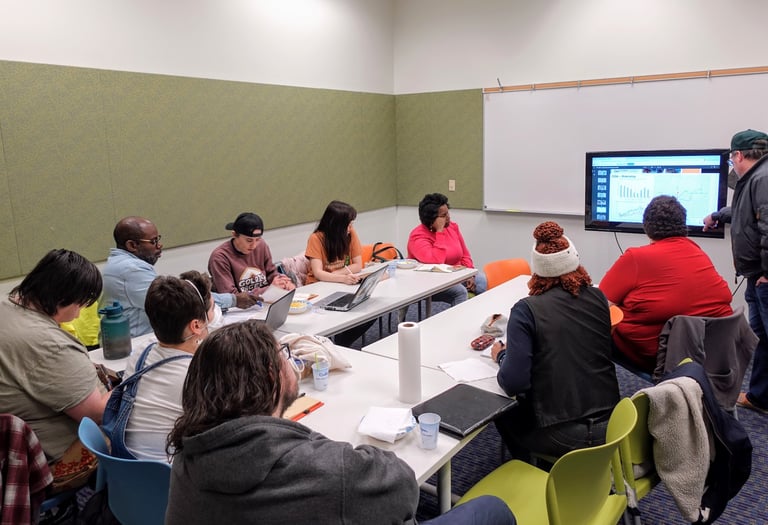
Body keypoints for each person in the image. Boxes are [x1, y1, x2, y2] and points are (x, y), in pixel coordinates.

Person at [165, 320, 516, 525]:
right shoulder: (334, 468)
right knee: (493, 509)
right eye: (286, 356)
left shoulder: (185, 460)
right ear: (272, 378)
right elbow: (403, 491)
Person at [491, 222, 619, 460]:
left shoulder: (526, 310)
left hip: (564, 432)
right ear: (575, 259)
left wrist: (502, 355)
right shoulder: (599, 298)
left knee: (501, 412)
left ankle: (532, 470)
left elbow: (513, 383)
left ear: (536, 269)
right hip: (613, 423)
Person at [600, 195, 733, 373]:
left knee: (588, 325)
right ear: (683, 225)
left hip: (658, 356)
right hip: (706, 354)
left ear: (647, 227)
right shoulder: (696, 251)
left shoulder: (635, 258)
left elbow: (600, 303)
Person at [0, 249, 108, 463]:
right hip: (54, 459)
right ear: (62, 298)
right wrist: (133, 384)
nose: (78, 313)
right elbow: (96, 413)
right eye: (80, 304)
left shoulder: (7, 305)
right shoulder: (47, 343)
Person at [703, 129, 768, 414]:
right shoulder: (756, 177)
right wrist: (718, 215)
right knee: (762, 337)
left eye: (732, 159)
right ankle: (760, 397)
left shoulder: (763, 178)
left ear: (738, 155)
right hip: (757, 275)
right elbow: (746, 212)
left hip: (764, 276)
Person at [104, 216, 255, 336]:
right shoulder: (131, 269)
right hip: (137, 342)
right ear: (132, 245)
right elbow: (178, 301)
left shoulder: (120, 264)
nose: (159, 245)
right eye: (153, 241)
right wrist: (233, 299)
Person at [119, 271, 214, 461]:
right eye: (211, 309)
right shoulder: (199, 373)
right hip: (171, 478)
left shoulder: (140, 353)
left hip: (128, 468)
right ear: (196, 325)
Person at [305, 200, 374, 346]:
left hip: (341, 284)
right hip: (318, 288)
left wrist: (337, 274)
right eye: (348, 224)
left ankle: (342, 343)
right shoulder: (316, 238)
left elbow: (358, 265)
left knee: (371, 310)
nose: (351, 228)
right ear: (336, 225)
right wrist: (342, 278)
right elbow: (318, 273)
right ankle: (335, 343)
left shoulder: (350, 234)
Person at [407, 193, 487, 307]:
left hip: (457, 274)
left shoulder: (452, 227)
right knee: (460, 292)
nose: (448, 217)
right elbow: (436, 261)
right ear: (432, 220)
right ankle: (459, 323)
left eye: (448, 212)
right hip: (431, 281)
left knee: (482, 281)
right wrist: (439, 232)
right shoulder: (418, 237)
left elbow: (465, 254)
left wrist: (469, 274)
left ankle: (479, 317)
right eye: (444, 215)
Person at [208, 212, 295, 299]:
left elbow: (271, 273)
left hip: (266, 300)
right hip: (241, 309)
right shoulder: (220, 257)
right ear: (234, 235)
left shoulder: (261, 245)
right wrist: (269, 289)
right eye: (249, 240)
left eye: (257, 239)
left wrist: (283, 282)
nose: (254, 246)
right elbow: (231, 297)